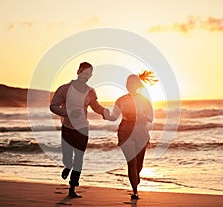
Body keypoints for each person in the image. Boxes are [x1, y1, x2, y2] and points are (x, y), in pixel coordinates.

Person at [50, 62, 107, 198]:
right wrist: (67, 113)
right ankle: (67, 166)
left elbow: (95, 106)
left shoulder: (90, 91)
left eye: (88, 73)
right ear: (78, 72)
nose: (85, 75)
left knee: (79, 158)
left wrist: (105, 113)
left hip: (83, 129)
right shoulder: (64, 89)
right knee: (68, 158)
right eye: (83, 72)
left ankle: (72, 188)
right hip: (68, 128)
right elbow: (53, 106)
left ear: (90, 76)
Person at [104, 70, 157, 200]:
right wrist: (104, 113)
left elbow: (151, 118)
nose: (129, 85)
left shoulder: (144, 100)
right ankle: (135, 191)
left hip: (141, 133)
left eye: (132, 83)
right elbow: (114, 117)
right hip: (125, 132)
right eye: (128, 83)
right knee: (131, 162)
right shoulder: (120, 100)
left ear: (137, 85)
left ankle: (135, 179)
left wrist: (138, 116)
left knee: (139, 165)